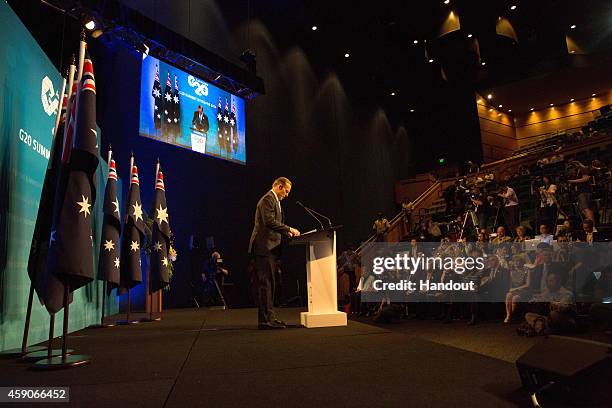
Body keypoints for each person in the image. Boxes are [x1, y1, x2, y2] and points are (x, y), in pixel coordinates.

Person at [248, 177, 301, 329]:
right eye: (286, 190)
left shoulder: (275, 201)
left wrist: (286, 233)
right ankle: (265, 321)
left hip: (271, 248)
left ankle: (270, 317)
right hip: (264, 247)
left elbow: (275, 224)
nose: (287, 194)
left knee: (270, 284)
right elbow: (269, 221)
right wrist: (289, 229)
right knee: (265, 284)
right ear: (279, 186)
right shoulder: (268, 199)